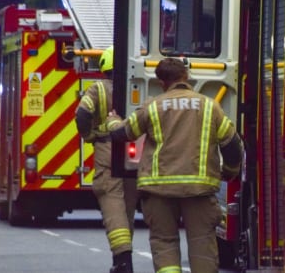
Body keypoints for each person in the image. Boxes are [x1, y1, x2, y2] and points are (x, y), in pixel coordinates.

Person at [108, 57, 244, 273]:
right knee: (202, 245)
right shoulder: (210, 106)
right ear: (186, 77)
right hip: (199, 191)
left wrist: (112, 121)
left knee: (165, 243)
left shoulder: (152, 107)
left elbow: (122, 133)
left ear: (162, 82)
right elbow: (233, 144)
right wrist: (229, 172)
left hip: (159, 190)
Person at [74, 46, 137, 273]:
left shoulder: (98, 89)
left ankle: (122, 261)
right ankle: (122, 258)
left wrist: (89, 135)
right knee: (128, 206)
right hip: (134, 150)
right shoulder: (135, 87)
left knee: (113, 204)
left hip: (107, 149)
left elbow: (82, 114)